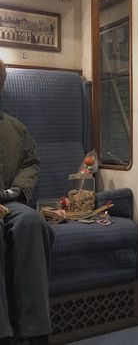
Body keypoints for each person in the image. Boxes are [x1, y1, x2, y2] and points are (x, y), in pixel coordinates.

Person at [0, 60, 54, 345]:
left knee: (32, 222)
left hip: (9, 201)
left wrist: (15, 191)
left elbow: (31, 160)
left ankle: (36, 330)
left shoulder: (15, 127)